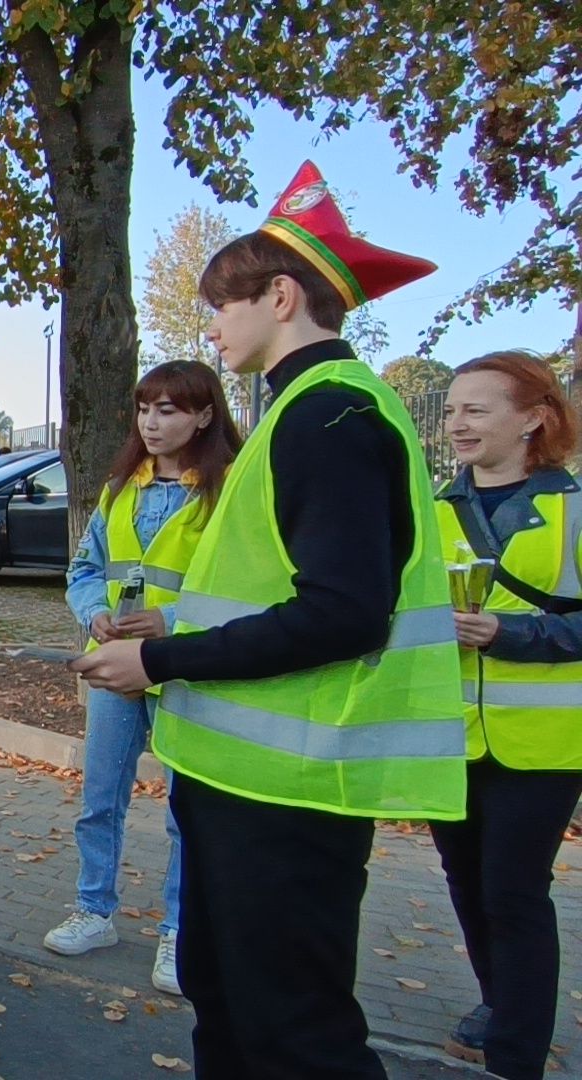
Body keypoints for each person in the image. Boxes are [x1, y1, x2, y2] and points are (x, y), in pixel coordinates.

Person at [74, 160, 467, 1079]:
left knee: (293, 1034)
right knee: (235, 1004)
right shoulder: (305, 411)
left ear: (280, 295)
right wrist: (165, 620)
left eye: (221, 305)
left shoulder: (327, 414)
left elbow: (343, 613)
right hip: (253, 784)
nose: (210, 327)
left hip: (292, 791)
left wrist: (165, 660)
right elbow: (282, 587)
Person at [44, 360, 241, 995]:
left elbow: (244, 590)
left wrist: (174, 620)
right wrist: (93, 613)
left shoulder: (227, 492)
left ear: (204, 415)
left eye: (169, 411)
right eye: (144, 410)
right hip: (115, 668)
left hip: (186, 671)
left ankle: (178, 932)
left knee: (187, 811)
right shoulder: (119, 488)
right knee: (100, 797)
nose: (151, 424)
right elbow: (82, 569)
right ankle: (94, 910)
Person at [430, 350, 582, 1079]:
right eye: (452, 409)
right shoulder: (433, 510)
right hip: (449, 740)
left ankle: (517, 1058)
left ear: (533, 417)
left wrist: (511, 635)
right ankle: (499, 1007)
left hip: (545, 746)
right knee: (466, 885)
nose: (456, 424)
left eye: (476, 410)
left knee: (514, 893)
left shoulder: (574, 512)